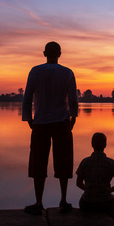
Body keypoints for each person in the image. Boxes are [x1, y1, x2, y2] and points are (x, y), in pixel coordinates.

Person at [22, 41, 78, 215]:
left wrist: (28, 119)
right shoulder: (67, 73)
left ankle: (39, 201)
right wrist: (73, 117)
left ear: (44, 53)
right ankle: (63, 199)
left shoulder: (35, 71)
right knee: (63, 160)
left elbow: (27, 97)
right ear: (60, 54)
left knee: (38, 161)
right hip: (61, 122)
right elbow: (73, 99)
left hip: (40, 123)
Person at [76, 132, 114, 212]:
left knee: (83, 200)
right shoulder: (111, 163)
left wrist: (89, 190)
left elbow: (78, 183)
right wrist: (109, 190)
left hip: (88, 203)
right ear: (105, 145)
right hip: (106, 203)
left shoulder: (85, 162)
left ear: (92, 144)